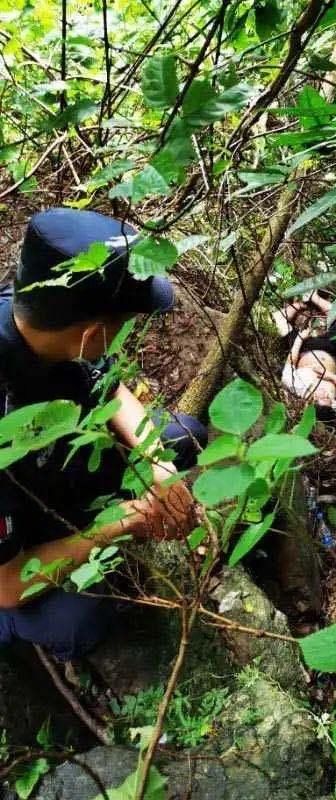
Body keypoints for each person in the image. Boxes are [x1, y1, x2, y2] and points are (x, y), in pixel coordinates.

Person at [0, 208, 207, 663]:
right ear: (93, 333)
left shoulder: (40, 314)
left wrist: (160, 466)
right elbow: (8, 585)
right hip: (13, 544)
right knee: (80, 622)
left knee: (183, 437)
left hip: (61, 469)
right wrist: (122, 525)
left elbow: (109, 383)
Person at [273, 290, 336, 419]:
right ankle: (315, 298)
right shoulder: (333, 406)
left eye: (321, 397)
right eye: (328, 397)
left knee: (278, 318)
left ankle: (301, 304)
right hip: (330, 348)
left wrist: (299, 340)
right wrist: (332, 378)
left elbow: (290, 362)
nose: (325, 394)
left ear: (310, 403)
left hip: (304, 348)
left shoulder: (297, 387)